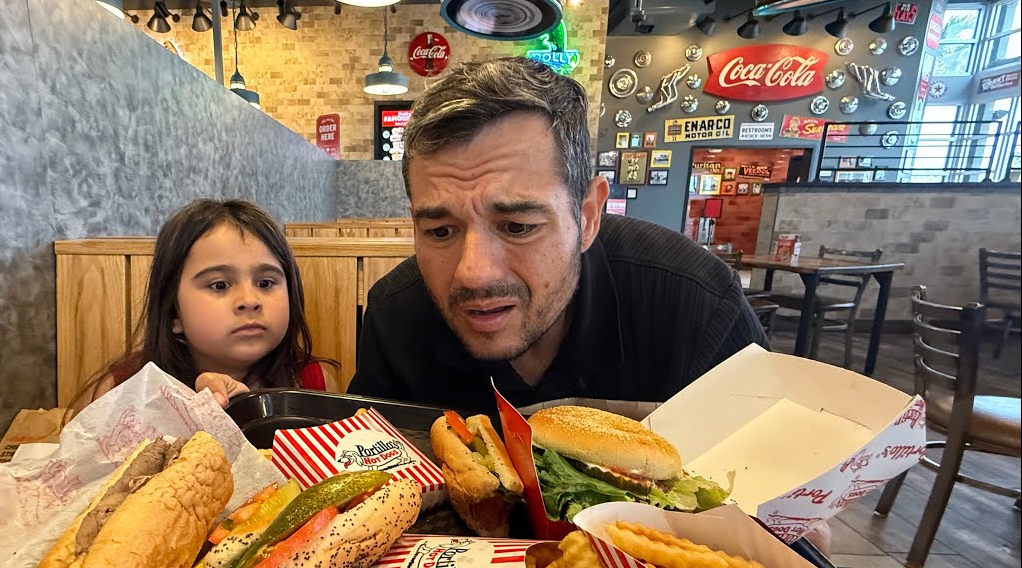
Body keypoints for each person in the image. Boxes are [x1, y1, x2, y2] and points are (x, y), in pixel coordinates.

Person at [347, 57, 768, 414]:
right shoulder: (395, 317)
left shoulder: (695, 305)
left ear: (586, 216)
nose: (473, 274)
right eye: (440, 231)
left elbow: (764, 486)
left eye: (518, 227)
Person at [76, 199, 334, 410]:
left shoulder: (315, 384)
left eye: (265, 283)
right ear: (174, 312)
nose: (249, 301)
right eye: (219, 285)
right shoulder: (119, 390)